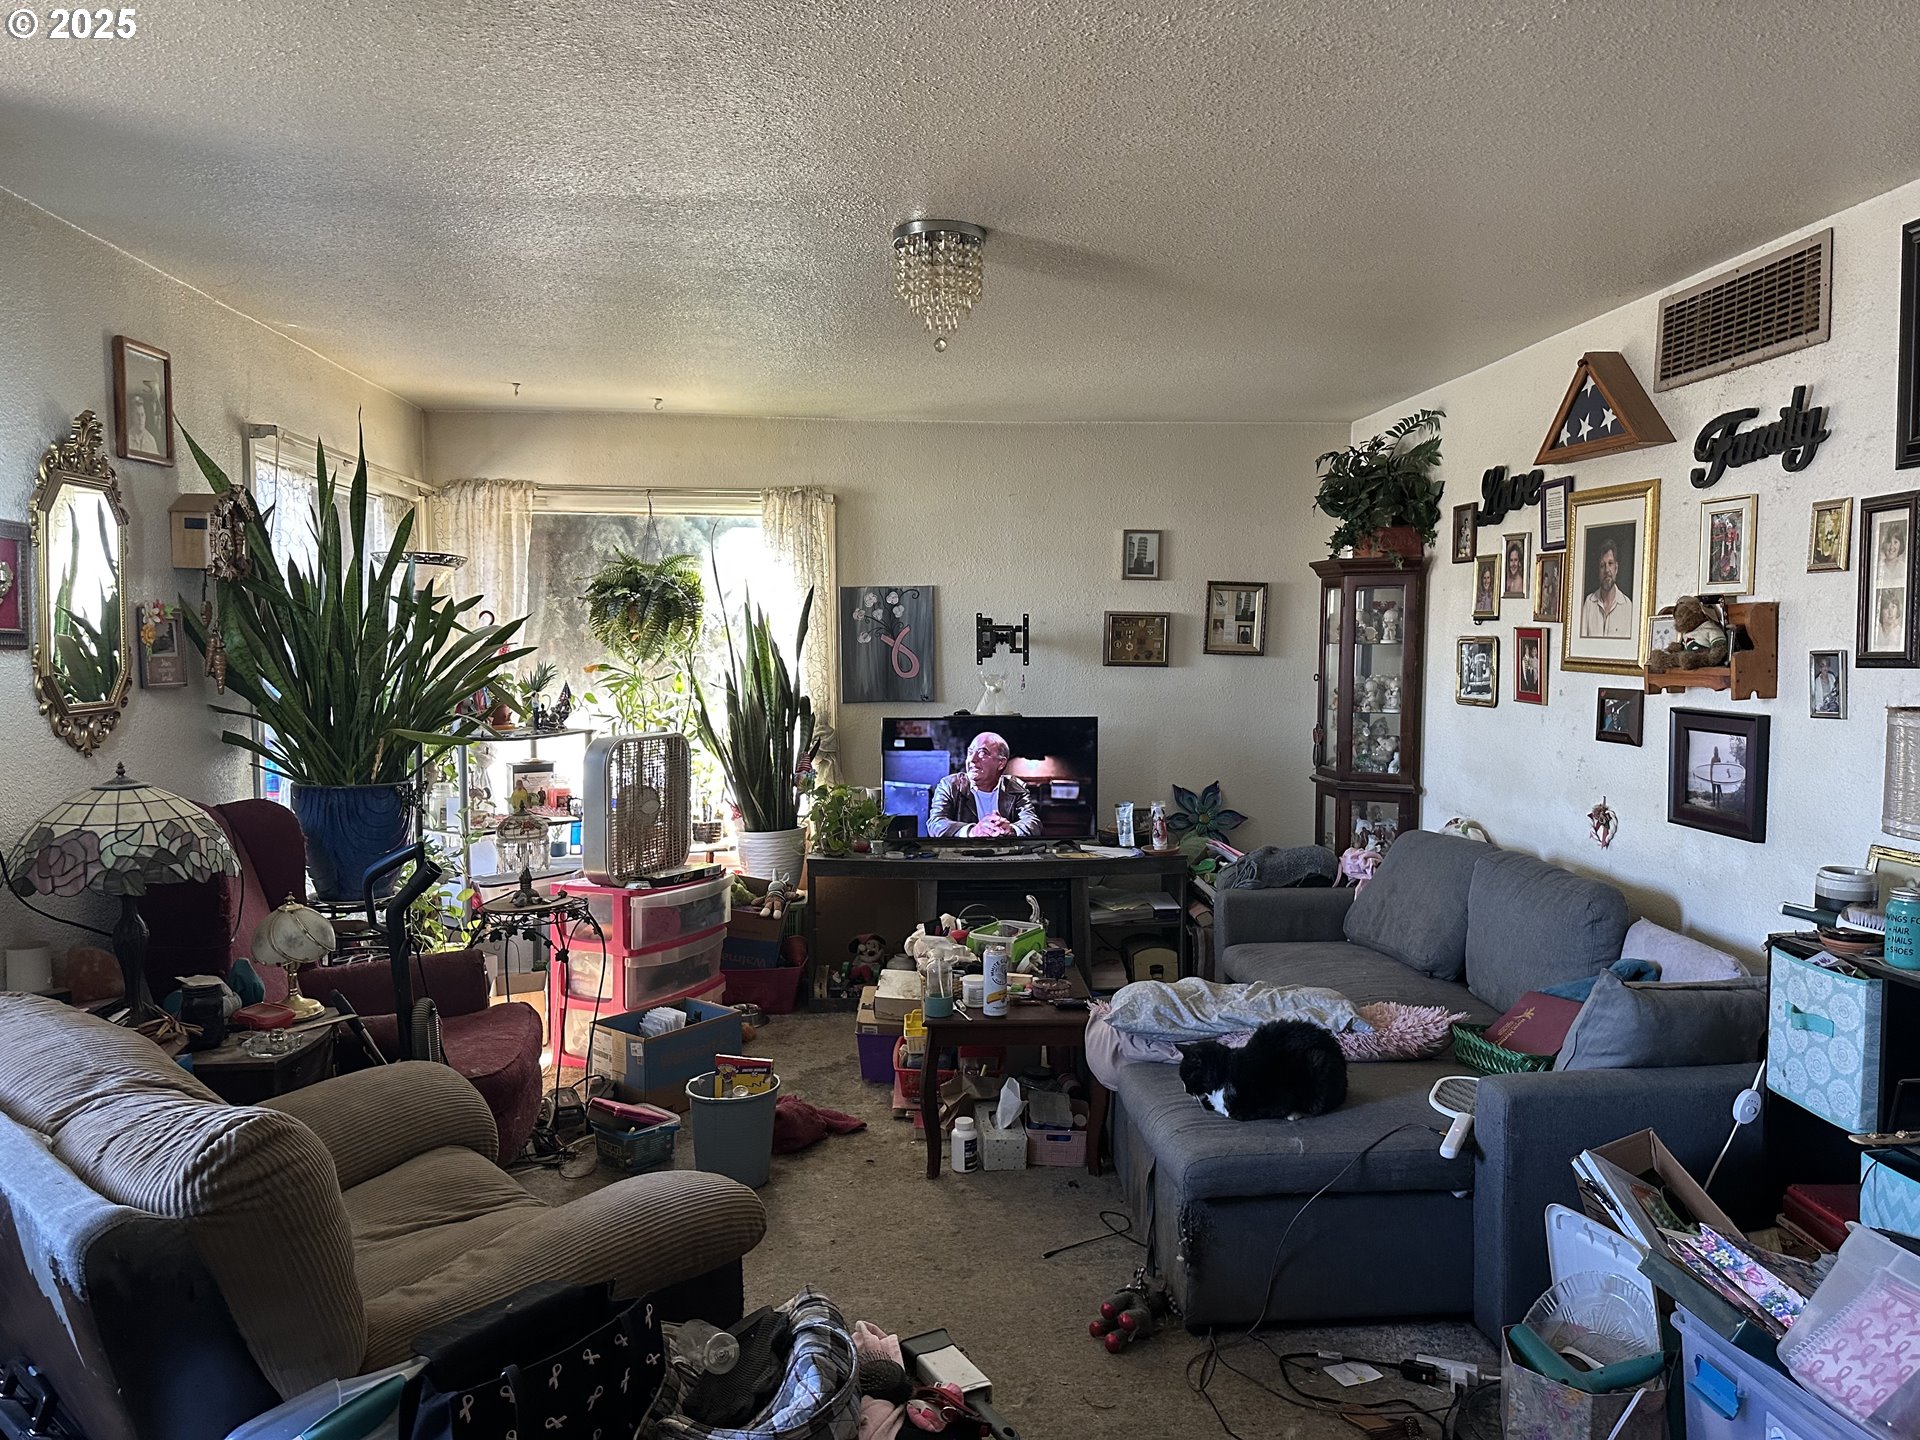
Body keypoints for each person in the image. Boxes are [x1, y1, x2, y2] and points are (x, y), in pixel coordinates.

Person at [926, 731, 1042, 839]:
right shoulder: (950, 785)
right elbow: (935, 824)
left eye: (982, 753)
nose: (972, 759)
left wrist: (1011, 829)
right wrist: (972, 831)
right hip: (964, 855)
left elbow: (1033, 823)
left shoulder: (1016, 788)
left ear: (1001, 763)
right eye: (970, 752)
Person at [1581, 539, 1633, 638]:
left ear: (1616, 568)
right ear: (1598, 570)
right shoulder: (1589, 603)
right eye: (1602, 565)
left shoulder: (1628, 606)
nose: (1607, 570)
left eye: (1610, 563)